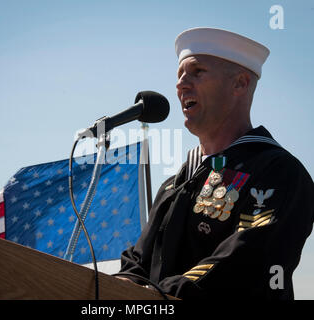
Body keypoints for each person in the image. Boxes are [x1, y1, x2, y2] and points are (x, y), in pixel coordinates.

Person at [116, 27, 314, 299]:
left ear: (240, 84)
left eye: (197, 72)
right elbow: (139, 260)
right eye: (180, 75)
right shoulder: (174, 183)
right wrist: (117, 286)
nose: (181, 84)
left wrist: (158, 296)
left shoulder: (278, 171)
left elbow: (249, 258)